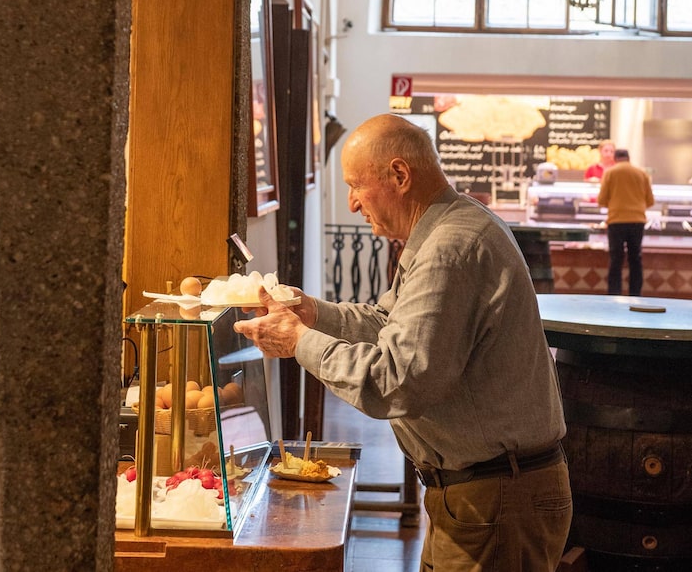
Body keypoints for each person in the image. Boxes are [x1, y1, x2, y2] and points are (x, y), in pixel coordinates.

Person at [235, 114, 572, 571]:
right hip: (481, 495)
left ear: (399, 175)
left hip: (495, 498)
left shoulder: (450, 247)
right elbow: (388, 322)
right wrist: (312, 312)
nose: (352, 202)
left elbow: (395, 382)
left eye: (357, 185)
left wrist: (299, 341)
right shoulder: (444, 229)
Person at [598, 148, 654, 296]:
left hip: (616, 220)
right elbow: (650, 201)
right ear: (629, 158)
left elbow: (601, 200)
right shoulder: (641, 173)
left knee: (616, 259)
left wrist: (615, 204)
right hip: (637, 221)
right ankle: (635, 294)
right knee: (635, 258)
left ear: (615, 159)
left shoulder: (610, 173)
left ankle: (614, 294)